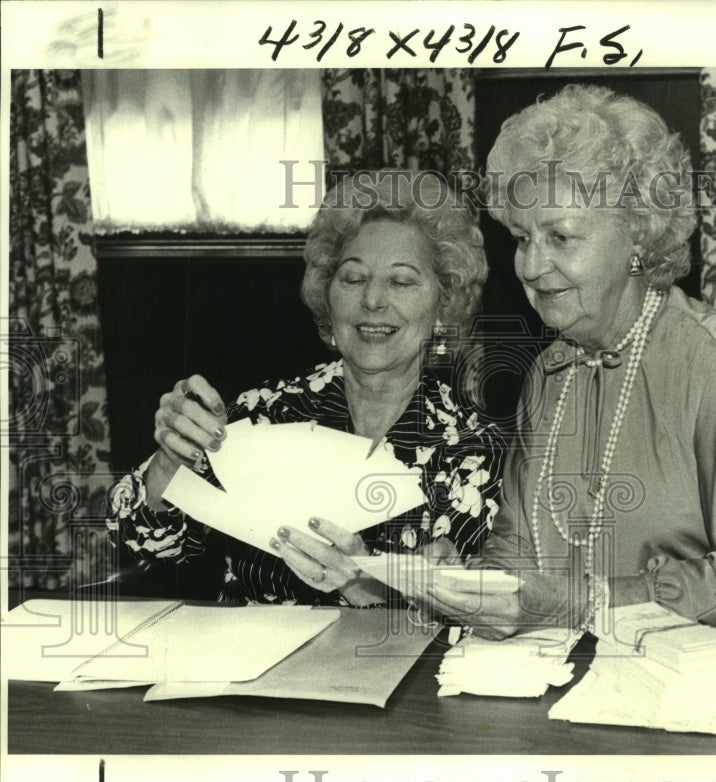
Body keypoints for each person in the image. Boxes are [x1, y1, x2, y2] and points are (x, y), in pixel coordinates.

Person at [419, 84, 716, 635]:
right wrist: (466, 585)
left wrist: (580, 603)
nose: (532, 267)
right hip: (585, 672)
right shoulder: (548, 374)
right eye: (521, 238)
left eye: (561, 236)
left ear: (637, 233)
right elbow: (518, 551)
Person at [106, 172, 506, 607]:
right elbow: (143, 548)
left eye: (402, 281)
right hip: (246, 666)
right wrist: (170, 461)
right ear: (327, 297)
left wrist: (360, 581)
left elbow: (471, 620)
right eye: (353, 279)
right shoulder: (265, 414)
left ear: (443, 305)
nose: (372, 300)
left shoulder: (476, 451)